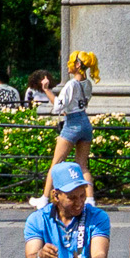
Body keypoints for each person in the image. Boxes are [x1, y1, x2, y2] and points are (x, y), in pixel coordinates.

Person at [43, 50, 100, 203]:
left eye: (70, 61)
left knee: (56, 164)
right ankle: (90, 200)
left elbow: (58, 106)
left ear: (78, 65)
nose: (67, 64)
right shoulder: (87, 84)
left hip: (72, 123)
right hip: (85, 122)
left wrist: (47, 90)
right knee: (82, 165)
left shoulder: (71, 84)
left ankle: (44, 198)